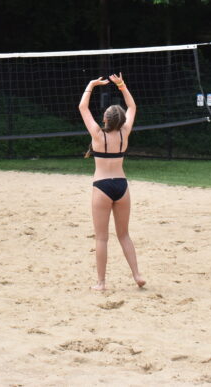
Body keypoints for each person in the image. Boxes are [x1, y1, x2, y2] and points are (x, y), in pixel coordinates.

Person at [78, 72, 146, 291]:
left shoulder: (98, 135)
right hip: (122, 186)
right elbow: (133, 107)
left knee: (101, 239)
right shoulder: (125, 133)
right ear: (122, 121)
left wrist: (91, 84)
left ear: (105, 120)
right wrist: (122, 85)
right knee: (124, 234)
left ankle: (101, 283)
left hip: (102, 187)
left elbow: (83, 108)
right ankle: (137, 275)